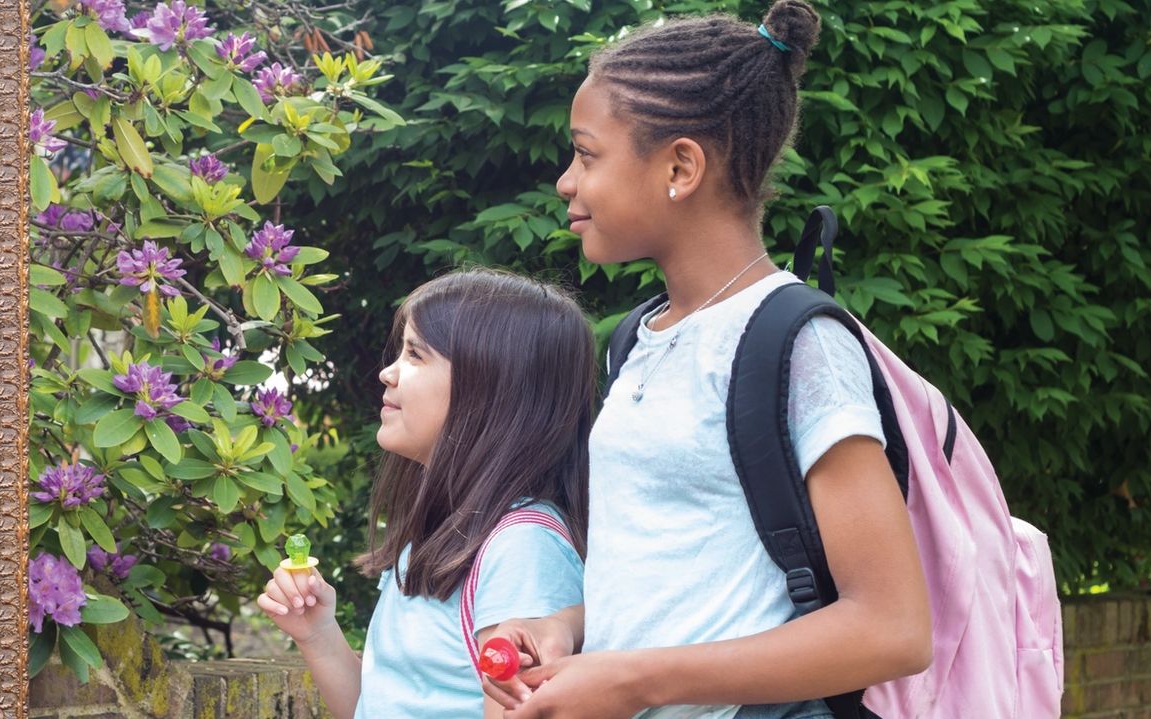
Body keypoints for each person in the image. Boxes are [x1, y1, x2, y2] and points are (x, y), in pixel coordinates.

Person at [482, 3, 931, 717]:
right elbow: (674, 586)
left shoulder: (798, 343)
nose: (566, 181)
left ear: (681, 166)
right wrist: (562, 629)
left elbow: (894, 628)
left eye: (587, 154)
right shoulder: (636, 338)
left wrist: (634, 682)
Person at [257, 268, 593, 718]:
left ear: (489, 386)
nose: (387, 373)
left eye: (415, 355)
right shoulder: (450, 530)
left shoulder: (521, 550)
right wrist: (317, 632)